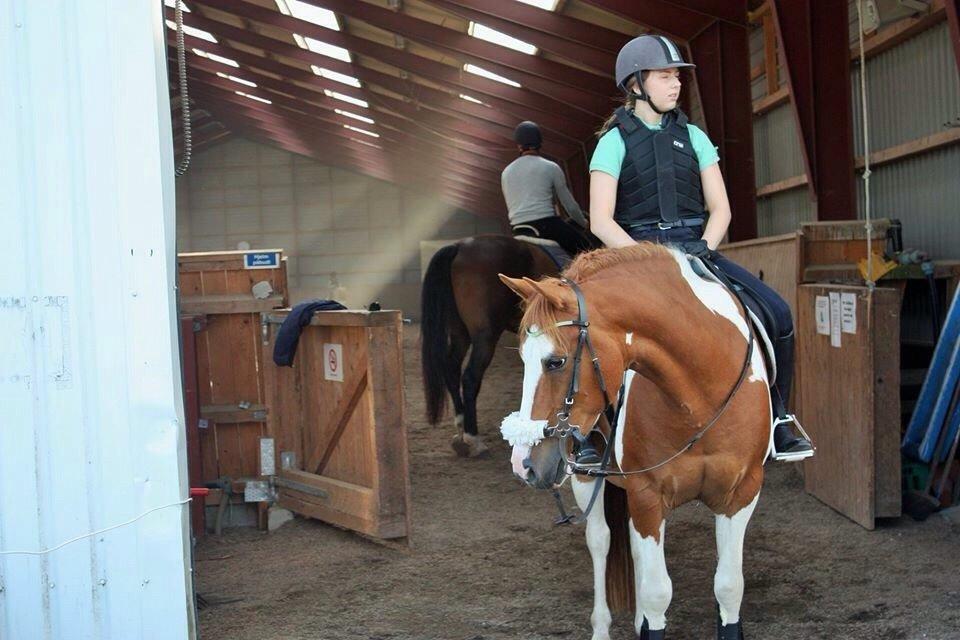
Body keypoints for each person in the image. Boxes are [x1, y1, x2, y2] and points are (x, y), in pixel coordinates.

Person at [587, 34, 813, 462]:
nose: (675, 85)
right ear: (636, 84)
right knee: (589, 332)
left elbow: (721, 208)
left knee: (779, 313)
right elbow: (600, 220)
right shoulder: (612, 142)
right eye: (664, 76)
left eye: (677, 77)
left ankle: (779, 417)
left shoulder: (694, 137)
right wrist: (648, 262)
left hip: (697, 250)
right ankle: (592, 436)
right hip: (638, 254)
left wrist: (703, 249)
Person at [501, 121, 598, 256]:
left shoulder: (506, 172)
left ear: (519, 145)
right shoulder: (550, 167)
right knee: (588, 251)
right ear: (540, 143)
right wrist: (584, 223)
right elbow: (570, 206)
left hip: (518, 229)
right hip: (547, 226)